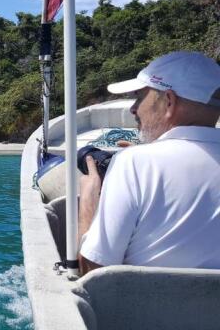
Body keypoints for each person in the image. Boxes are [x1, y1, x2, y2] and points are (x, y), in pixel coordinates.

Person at [78, 51, 220, 275]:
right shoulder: (140, 161)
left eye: (140, 97)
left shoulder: (134, 164)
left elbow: (94, 274)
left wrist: (88, 201)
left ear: (170, 102)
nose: (133, 108)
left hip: (139, 310)